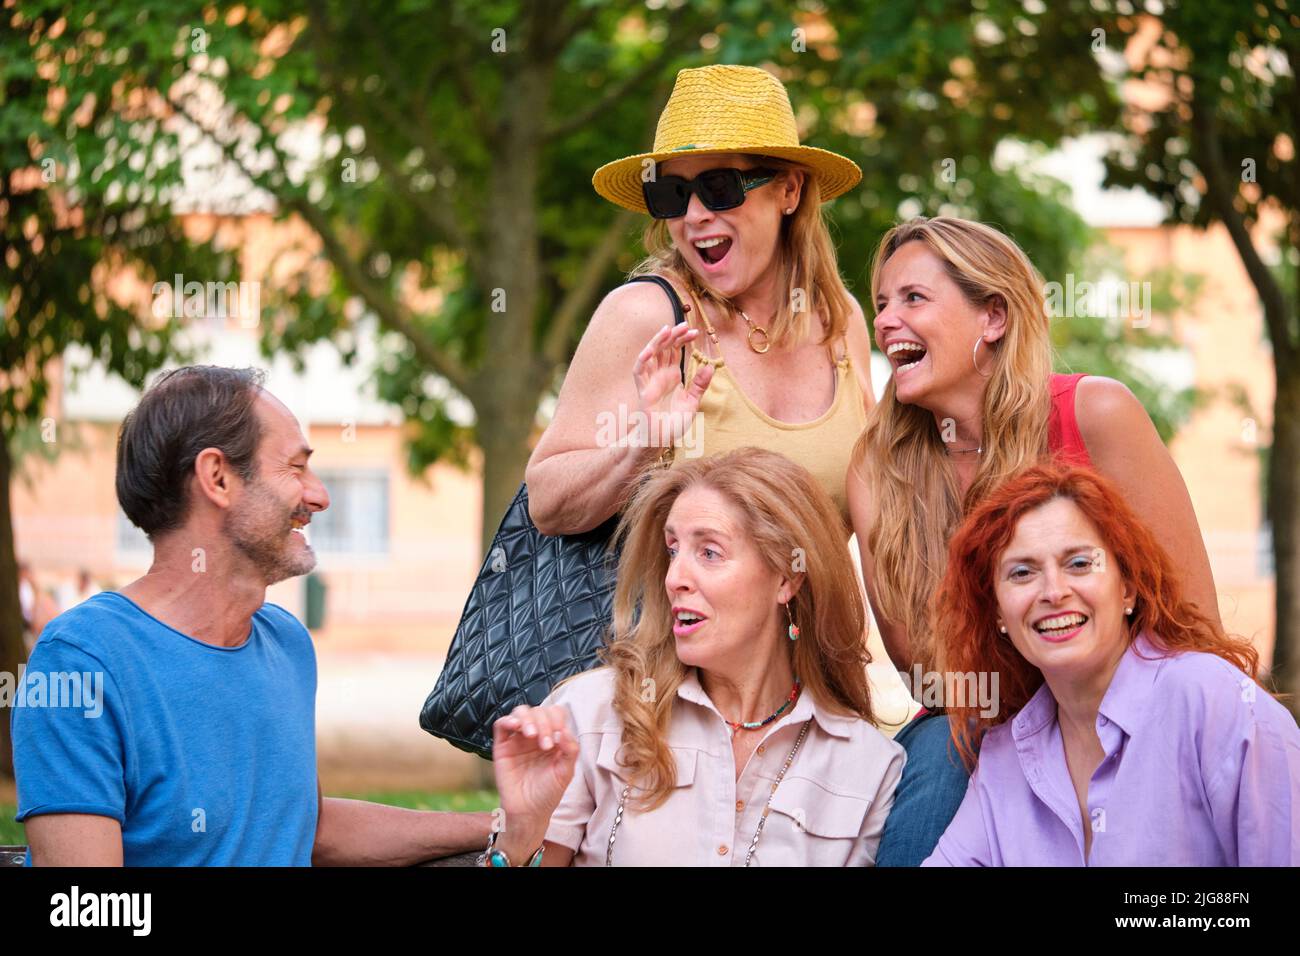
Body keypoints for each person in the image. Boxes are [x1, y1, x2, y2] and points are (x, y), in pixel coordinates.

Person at [525, 63, 920, 736]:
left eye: (720, 186)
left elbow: (878, 524)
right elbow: (549, 500)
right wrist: (641, 444)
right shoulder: (646, 316)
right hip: (677, 711)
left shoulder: (843, 322)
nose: (695, 216)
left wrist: (928, 676)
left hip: (823, 703)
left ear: (790, 189)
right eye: (672, 195)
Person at [846, 216, 1224, 865]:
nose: (884, 321)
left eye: (912, 299)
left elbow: (1193, 629)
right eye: (881, 304)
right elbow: (929, 678)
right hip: (977, 728)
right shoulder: (878, 468)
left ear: (992, 316)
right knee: (939, 758)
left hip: (1130, 708)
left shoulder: (1096, 414)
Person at [11, 365, 492, 866]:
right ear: (217, 477)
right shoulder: (81, 662)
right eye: (295, 468)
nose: (320, 496)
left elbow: (307, 825)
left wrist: (499, 824)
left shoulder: (285, 642)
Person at [485, 448, 905, 866]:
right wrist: (521, 831)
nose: (675, 579)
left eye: (709, 552)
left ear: (787, 577)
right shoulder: (591, 715)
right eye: (673, 551)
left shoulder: (867, 765)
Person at [923, 463, 1299, 865]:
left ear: (1128, 588)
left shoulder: (1210, 701)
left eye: (1080, 564)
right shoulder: (1004, 759)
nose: (1053, 591)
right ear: (998, 612)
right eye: (1022, 573)